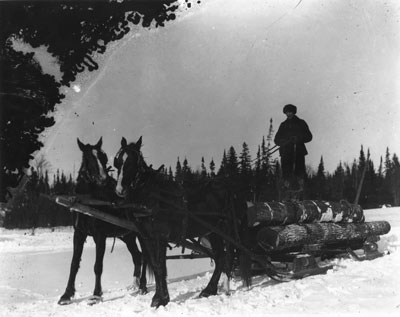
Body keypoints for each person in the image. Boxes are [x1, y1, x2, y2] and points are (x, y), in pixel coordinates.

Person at [274, 104, 312, 190]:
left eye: (290, 112)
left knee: (299, 172)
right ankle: (286, 190)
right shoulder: (283, 125)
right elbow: (276, 139)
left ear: (294, 112)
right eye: (287, 112)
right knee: (286, 173)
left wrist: (299, 138)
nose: (289, 114)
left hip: (298, 152)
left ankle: (300, 191)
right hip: (286, 153)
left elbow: (309, 136)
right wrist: (282, 141)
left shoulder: (301, 123)